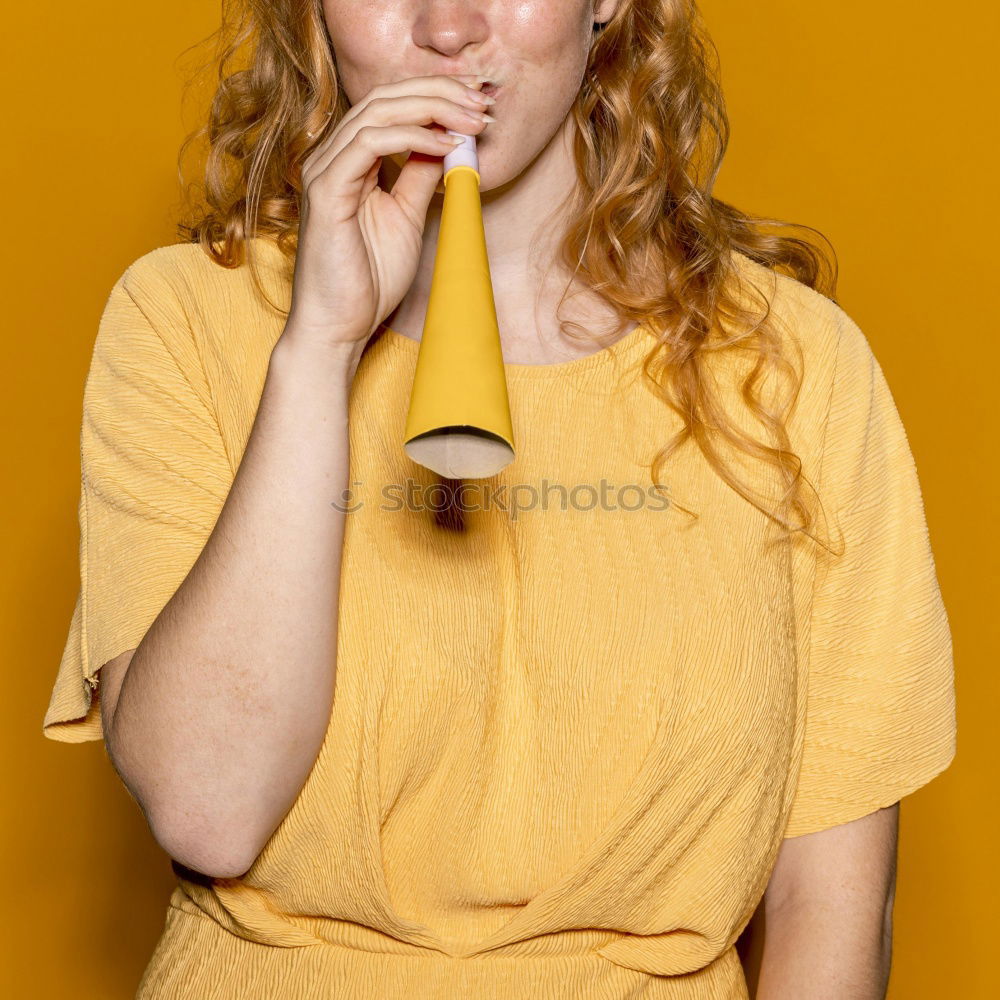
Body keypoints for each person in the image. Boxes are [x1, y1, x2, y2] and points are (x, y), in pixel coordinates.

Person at [42, 2, 957, 998]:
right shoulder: (184, 318)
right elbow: (209, 806)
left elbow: (830, 903)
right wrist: (321, 348)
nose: (447, 28)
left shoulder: (790, 366)